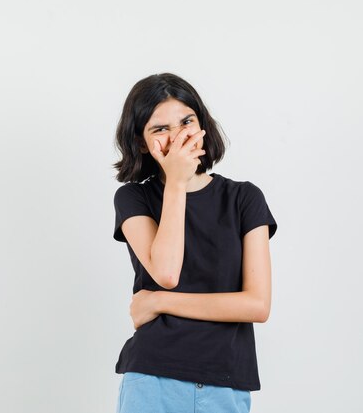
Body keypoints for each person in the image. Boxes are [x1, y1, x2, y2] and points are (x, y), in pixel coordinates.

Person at [111, 73, 278, 413]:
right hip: (152, 377)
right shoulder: (134, 199)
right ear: (142, 142)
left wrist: (158, 302)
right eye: (160, 129)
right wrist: (175, 181)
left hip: (225, 381)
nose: (178, 135)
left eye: (186, 121)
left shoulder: (244, 198)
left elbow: (257, 305)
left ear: (201, 124)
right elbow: (167, 273)